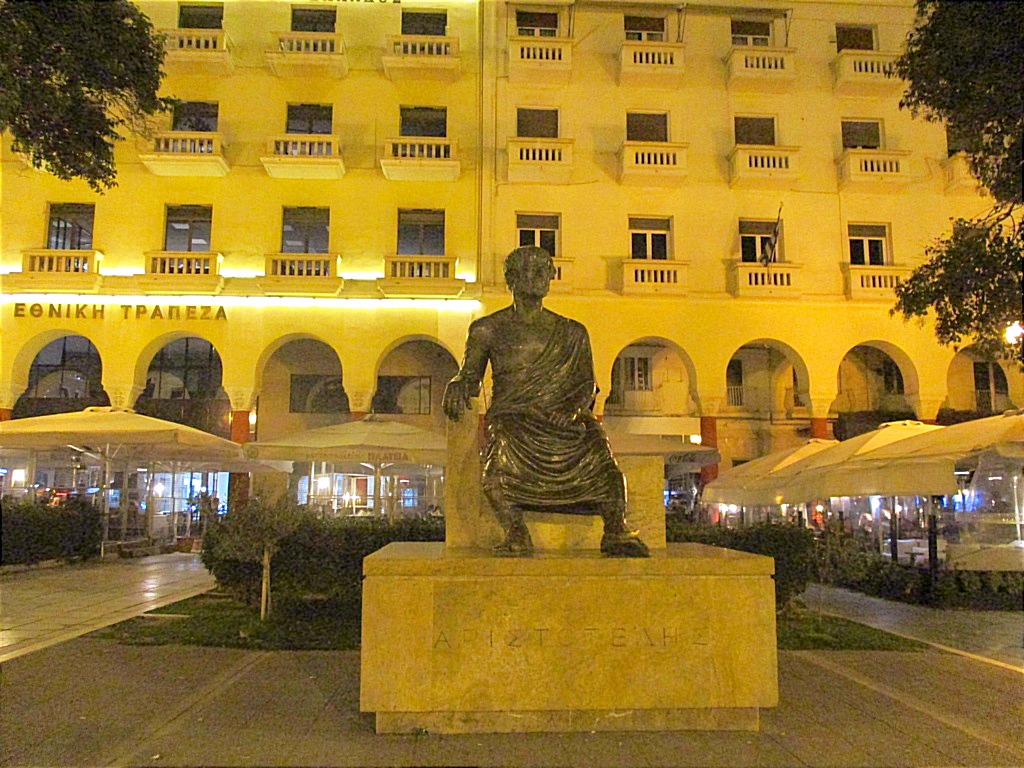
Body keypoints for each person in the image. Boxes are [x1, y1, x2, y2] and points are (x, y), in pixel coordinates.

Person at [443, 245, 649, 557]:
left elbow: (587, 384)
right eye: (532, 269)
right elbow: (470, 375)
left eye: (545, 270)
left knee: (598, 449)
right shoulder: (487, 329)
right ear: (512, 278)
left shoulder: (573, 332)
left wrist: (572, 411)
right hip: (515, 418)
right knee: (499, 462)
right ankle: (515, 531)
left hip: (562, 419)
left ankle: (615, 529)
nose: (541, 276)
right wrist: (458, 383)